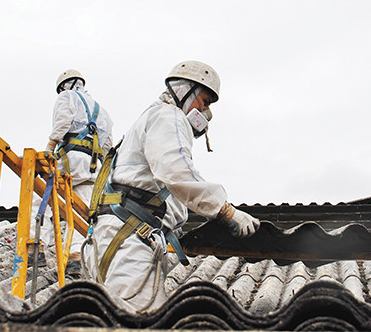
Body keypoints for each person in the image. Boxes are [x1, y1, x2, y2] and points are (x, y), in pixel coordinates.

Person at [83, 60, 260, 313]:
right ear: (185, 90)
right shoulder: (169, 116)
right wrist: (224, 209)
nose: (206, 112)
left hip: (115, 237)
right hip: (129, 244)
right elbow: (176, 171)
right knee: (135, 323)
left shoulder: (151, 117)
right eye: (205, 102)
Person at [34, 69, 114, 275]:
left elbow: (62, 121)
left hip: (70, 160)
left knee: (40, 195)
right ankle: (75, 259)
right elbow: (107, 145)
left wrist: (50, 147)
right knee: (83, 213)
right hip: (92, 167)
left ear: (63, 86)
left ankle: (36, 246)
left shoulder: (67, 96)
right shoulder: (102, 111)